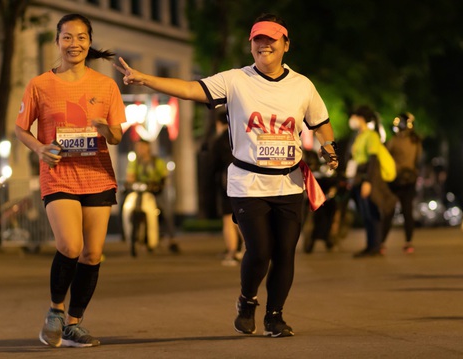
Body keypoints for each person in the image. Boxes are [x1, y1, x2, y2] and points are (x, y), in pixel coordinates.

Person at [114, 13, 339, 337]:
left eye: (271, 40)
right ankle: (247, 301)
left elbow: (320, 124)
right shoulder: (235, 80)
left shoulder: (302, 85)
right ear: (251, 46)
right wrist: (145, 79)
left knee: (285, 252)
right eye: (257, 40)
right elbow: (191, 89)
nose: (263, 45)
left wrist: (329, 151)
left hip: (289, 182)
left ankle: (275, 317)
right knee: (260, 251)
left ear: (286, 45)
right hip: (247, 183)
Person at [15, 14, 125, 348]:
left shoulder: (105, 86)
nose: (73, 44)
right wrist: (39, 148)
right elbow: (21, 128)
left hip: (97, 175)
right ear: (57, 41)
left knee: (92, 253)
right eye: (66, 37)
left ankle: (73, 324)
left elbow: (117, 135)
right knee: (70, 246)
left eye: (80, 37)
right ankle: (55, 311)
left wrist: (105, 128)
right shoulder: (40, 85)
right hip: (58, 174)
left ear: (89, 41)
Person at [348, 105, 397, 258]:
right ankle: (370, 246)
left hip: (367, 177)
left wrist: (368, 182)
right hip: (358, 178)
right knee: (365, 213)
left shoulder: (371, 136)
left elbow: (373, 159)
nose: (352, 120)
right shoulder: (360, 135)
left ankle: (375, 246)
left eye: (354, 116)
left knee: (372, 212)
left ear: (360, 118)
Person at [124, 139, 179, 253]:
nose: (139, 150)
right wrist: (129, 183)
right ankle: (126, 234)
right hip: (140, 191)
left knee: (166, 211)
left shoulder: (157, 162)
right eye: (138, 147)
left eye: (142, 147)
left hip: (155, 192)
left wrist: (159, 185)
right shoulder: (134, 162)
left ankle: (172, 239)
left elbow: (164, 177)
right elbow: (130, 176)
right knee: (125, 207)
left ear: (148, 148)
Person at [381, 113, 422, 253]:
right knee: (407, 212)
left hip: (395, 180)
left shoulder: (394, 140)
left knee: (389, 211)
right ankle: (408, 242)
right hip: (409, 179)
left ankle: (381, 243)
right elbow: (418, 160)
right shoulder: (416, 141)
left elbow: (386, 157)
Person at [211, 111, 243, 266]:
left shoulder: (220, 140)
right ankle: (250, 250)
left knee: (229, 219)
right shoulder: (242, 134)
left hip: (228, 182)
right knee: (244, 217)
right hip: (247, 180)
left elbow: (213, 165)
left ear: (219, 123)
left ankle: (232, 252)